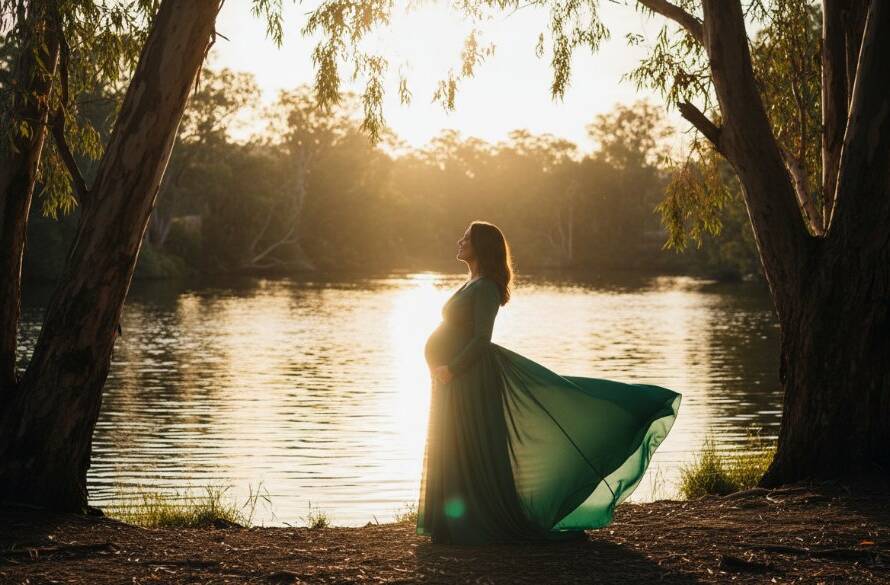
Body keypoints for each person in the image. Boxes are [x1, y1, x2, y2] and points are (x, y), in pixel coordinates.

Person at [417, 220, 682, 544]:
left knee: (469, 445)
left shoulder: (485, 287)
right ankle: (452, 521)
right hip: (452, 379)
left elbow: (482, 339)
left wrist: (453, 368)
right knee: (454, 443)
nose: (459, 241)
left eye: (467, 238)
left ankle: (476, 522)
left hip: (468, 379)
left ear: (481, 247)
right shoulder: (472, 282)